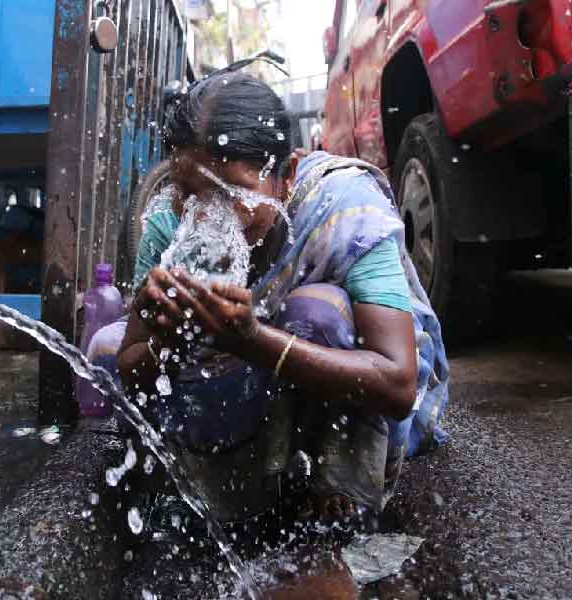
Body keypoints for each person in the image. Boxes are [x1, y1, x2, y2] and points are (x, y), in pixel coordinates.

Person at [87, 72, 449, 526]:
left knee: (318, 310)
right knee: (103, 345)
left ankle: (330, 484)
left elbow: (397, 384)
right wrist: (163, 334)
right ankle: (220, 482)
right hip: (237, 397)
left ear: (288, 175)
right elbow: (133, 370)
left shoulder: (341, 206)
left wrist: (252, 340)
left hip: (329, 398)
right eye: (190, 193)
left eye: (235, 195)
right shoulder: (166, 222)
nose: (210, 215)